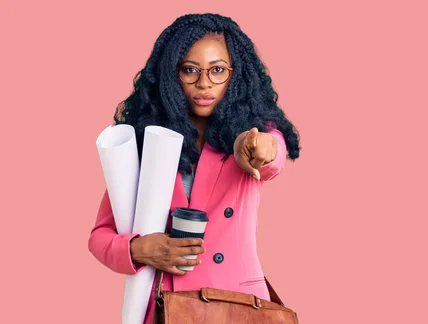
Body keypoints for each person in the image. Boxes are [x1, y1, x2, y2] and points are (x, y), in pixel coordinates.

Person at [87, 13, 301, 323]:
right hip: (165, 306)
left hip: (236, 306)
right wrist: (139, 249)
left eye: (217, 70)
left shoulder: (255, 133)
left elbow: (270, 155)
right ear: (171, 75)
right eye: (190, 70)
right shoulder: (146, 142)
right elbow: (100, 236)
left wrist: (260, 149)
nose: (204, 83)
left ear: (236, 74)